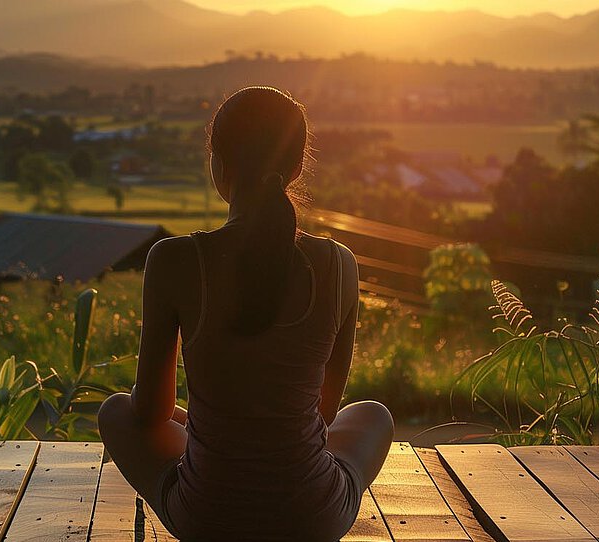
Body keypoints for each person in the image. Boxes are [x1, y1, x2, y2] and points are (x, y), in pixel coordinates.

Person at [98, 86, 394, 541]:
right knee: (373, 414)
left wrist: (191, 420)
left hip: (208, 518)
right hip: (313, 518)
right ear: (296, 167)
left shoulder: (174, 260)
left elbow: (150, 413)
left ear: (217, 165)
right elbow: (325, 411)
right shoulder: (339, 264)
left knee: (116, 411)